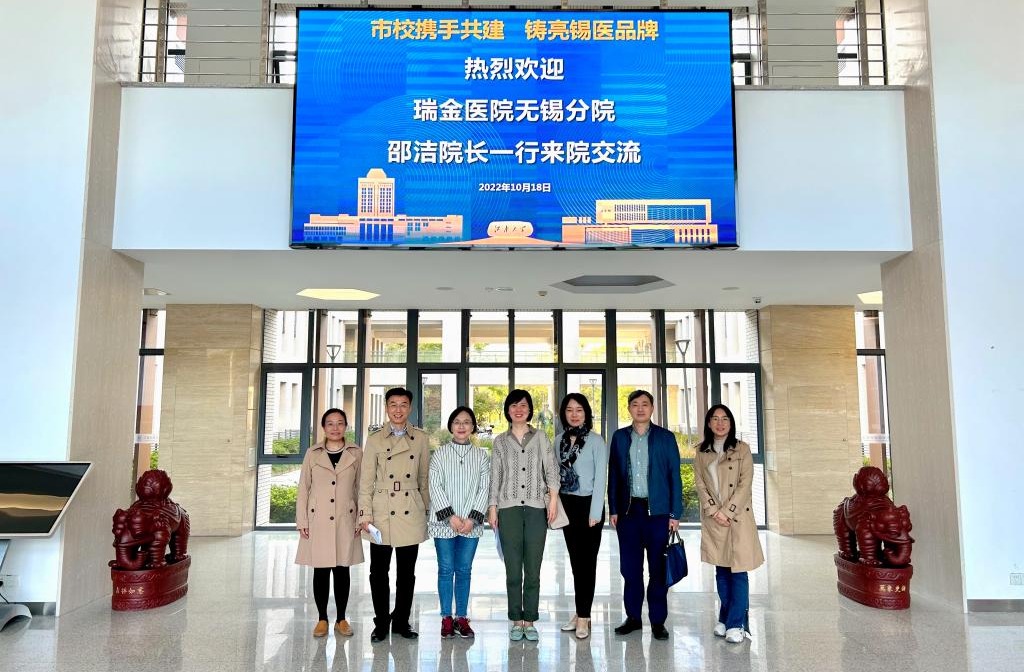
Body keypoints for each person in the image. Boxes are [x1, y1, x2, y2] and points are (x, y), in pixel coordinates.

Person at [607, 389, 682, 641]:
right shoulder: (619, 437)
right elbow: (614, 475)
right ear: (629, 408)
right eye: (635, 404)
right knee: (630, 570)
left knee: (658, 570)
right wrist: (614, 508)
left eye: (645, 404)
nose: (640, 408)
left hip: (658, 513)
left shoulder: (665, 438)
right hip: (629, 513)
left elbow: (674, 476)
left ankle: (658, 621)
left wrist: (675, 513)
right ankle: (633, 618)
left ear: (652, 408)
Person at [358, 387, 430, 643]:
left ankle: (401, 621)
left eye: (403, 404)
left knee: (406, 573)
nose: (398, 410)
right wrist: (364, 513)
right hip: (381, 511)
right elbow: (366, 480)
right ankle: (381, 622)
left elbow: (423, 478)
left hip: (411, 507)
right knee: (378, 572)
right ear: (386, 408)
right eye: (393, 405)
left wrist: (426, 511)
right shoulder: (375, 439)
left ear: (410, 408)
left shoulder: (421, 438)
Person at [487, 389, 560, 642]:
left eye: (523, 405)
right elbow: (495, 476)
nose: (519, 410)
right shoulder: (500, 441)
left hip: (537, 508)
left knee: (533, 569)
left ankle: (530, 620)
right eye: (514, 405)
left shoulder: (540, 437)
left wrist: (553, 500)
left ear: (530, 410)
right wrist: (493, 507)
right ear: (507, 410)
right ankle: (516, 620)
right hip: (508, 510)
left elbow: (551, 470)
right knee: (513, 571)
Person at [693, 404, 764, 644]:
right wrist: (714, 511)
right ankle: (725, 617)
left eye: (725, 419)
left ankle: (736, 624)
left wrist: (726, 511)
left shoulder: (742, 449)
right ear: (709, 423)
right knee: (722, 571)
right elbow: (700, 484)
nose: (720, 423)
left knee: (738, 571)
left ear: (731, 423)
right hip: (715, 519)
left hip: (738, 518)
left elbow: (745, 484)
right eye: (715, 419)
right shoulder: (701, 452)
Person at [295, 408, 363, 638]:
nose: (335, 428)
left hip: (346, 518)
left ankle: (341, 619)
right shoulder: (312, 453)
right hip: (319, 519)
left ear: (346, 426)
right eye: (330, 423)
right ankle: (322, 619)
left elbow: (361, 488)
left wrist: (361, 516)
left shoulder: (356, 453)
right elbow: (303, 488)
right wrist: (302, 520)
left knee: (343, 570)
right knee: (321, 570)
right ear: (323, 427)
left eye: (340, 423)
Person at [428, 406, 490, 639]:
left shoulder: (481, 456)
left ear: (473, 427)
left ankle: (461, 617)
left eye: (466, 422)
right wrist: (450, 517)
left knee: (464, 570)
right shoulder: (440, 454)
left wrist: (473, 518)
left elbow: (485, 487)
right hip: (445, 522)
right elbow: (434, 486)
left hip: (471, 524)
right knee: (445, 569)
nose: (461, 426)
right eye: (457, 422)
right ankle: (446, 617)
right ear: (450, 426)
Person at [555, 393, 608, 640]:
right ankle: (580, 612)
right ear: (563, 414)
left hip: (589, 507)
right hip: (567, 505)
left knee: (588, 564)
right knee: (576, 564)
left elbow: (600, 479)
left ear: (586, 413)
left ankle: (585, 617)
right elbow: (553, 475)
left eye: (579, 409)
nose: (574, 414)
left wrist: (595, 512)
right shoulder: (559, 441)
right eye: (569, 410)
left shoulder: (596, 441)